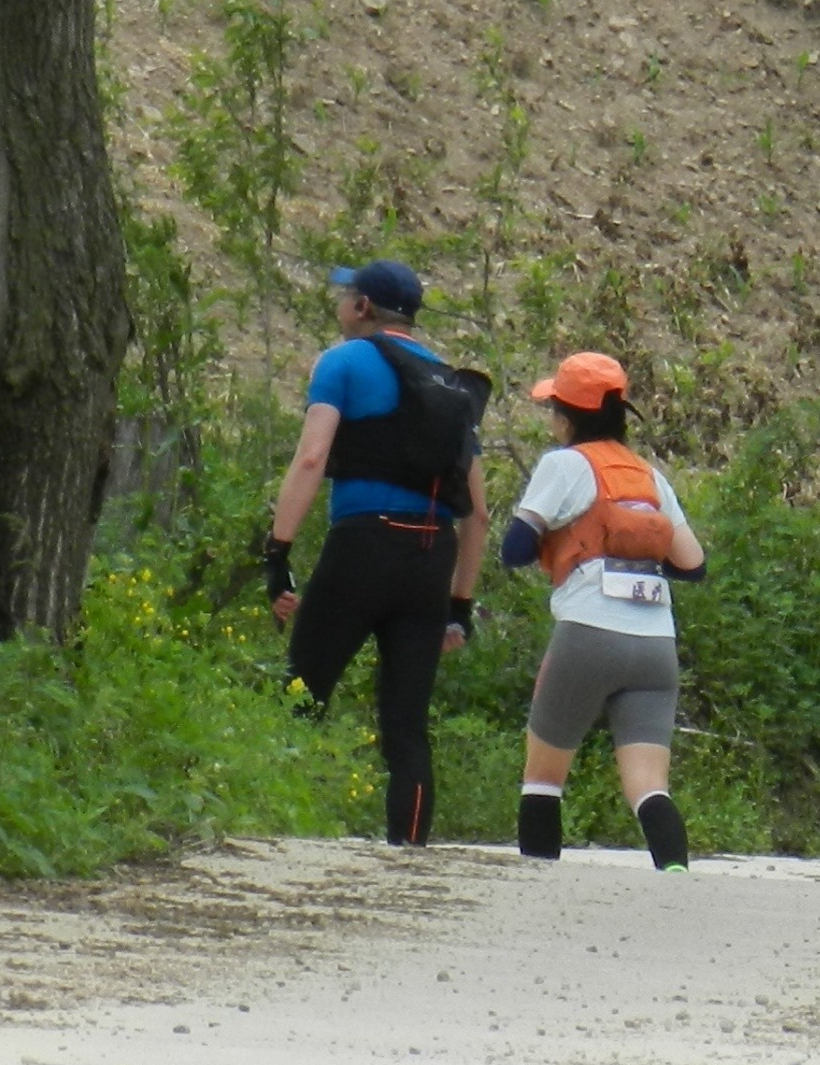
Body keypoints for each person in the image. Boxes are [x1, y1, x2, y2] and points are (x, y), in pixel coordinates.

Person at [265, 259, 487, 846]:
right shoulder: (453, 386)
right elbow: (480, 514)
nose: (340, 305)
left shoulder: (342, 362)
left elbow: (312, 458)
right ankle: (410, 850)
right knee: (406, 726)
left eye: (345, 296)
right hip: (431, 556)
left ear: (363, 307)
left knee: (300, 694)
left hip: (364, 543)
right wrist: (459, 606)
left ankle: (269, 828)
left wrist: (277, 550)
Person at [501, 351, 705, 869]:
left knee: (543, 778)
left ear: (567, 417)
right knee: (648, 787)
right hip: (656, 644)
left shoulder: (564, 464)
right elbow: (692, 563)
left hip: (588, 633)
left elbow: (515, 547)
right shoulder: (648, 476)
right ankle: (675, 875)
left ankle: (539, 883)